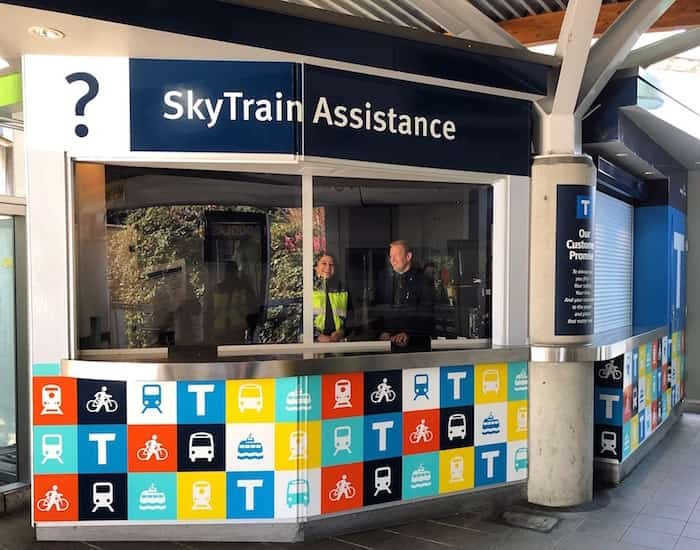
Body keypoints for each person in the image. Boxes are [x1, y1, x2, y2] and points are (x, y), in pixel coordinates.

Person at [377, 240, 434, 351]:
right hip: (388, 346)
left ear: (408, 256)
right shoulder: (385, 280)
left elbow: (427, 315)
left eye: (396, 256)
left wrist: (409, 334)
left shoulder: (423, 280)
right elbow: (378, 310)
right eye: (390, 256)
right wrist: (382, 332)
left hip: (415, 347)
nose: (392, 260)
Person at [313, 252, 351, 342]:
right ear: (316, 267)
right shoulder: (309, 289)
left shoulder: (342, 288)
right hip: (315, 342)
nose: (328, 267)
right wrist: (318, 336)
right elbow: (302, 322)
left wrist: (341, 332)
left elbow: (351, 318)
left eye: (331, 264)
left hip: (338, 341)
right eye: (324, 263)